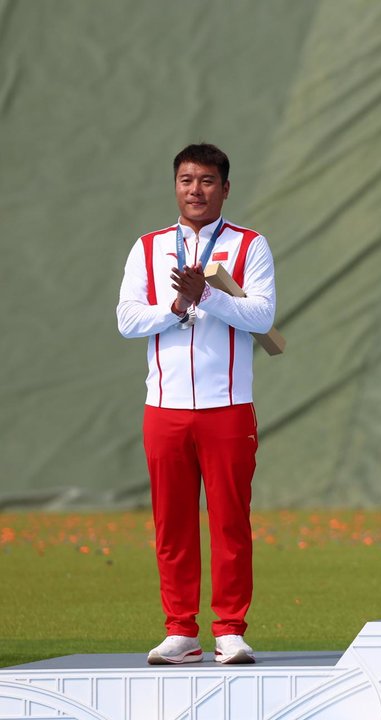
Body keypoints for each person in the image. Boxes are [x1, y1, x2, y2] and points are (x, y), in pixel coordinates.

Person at [117, 143, 277, 664]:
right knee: (172, 523)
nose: (196, 190)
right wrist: (178, 304)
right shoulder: (148, 247)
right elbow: (127, 320)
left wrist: (208, 296)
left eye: (207, 181)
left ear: (225, 188)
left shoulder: (249, 245)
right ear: (176, 186)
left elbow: (261, 318)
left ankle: (229, 629)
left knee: (231, 522)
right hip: (163, 407)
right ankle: (181, 631)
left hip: (228, 406)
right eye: (186, 180)